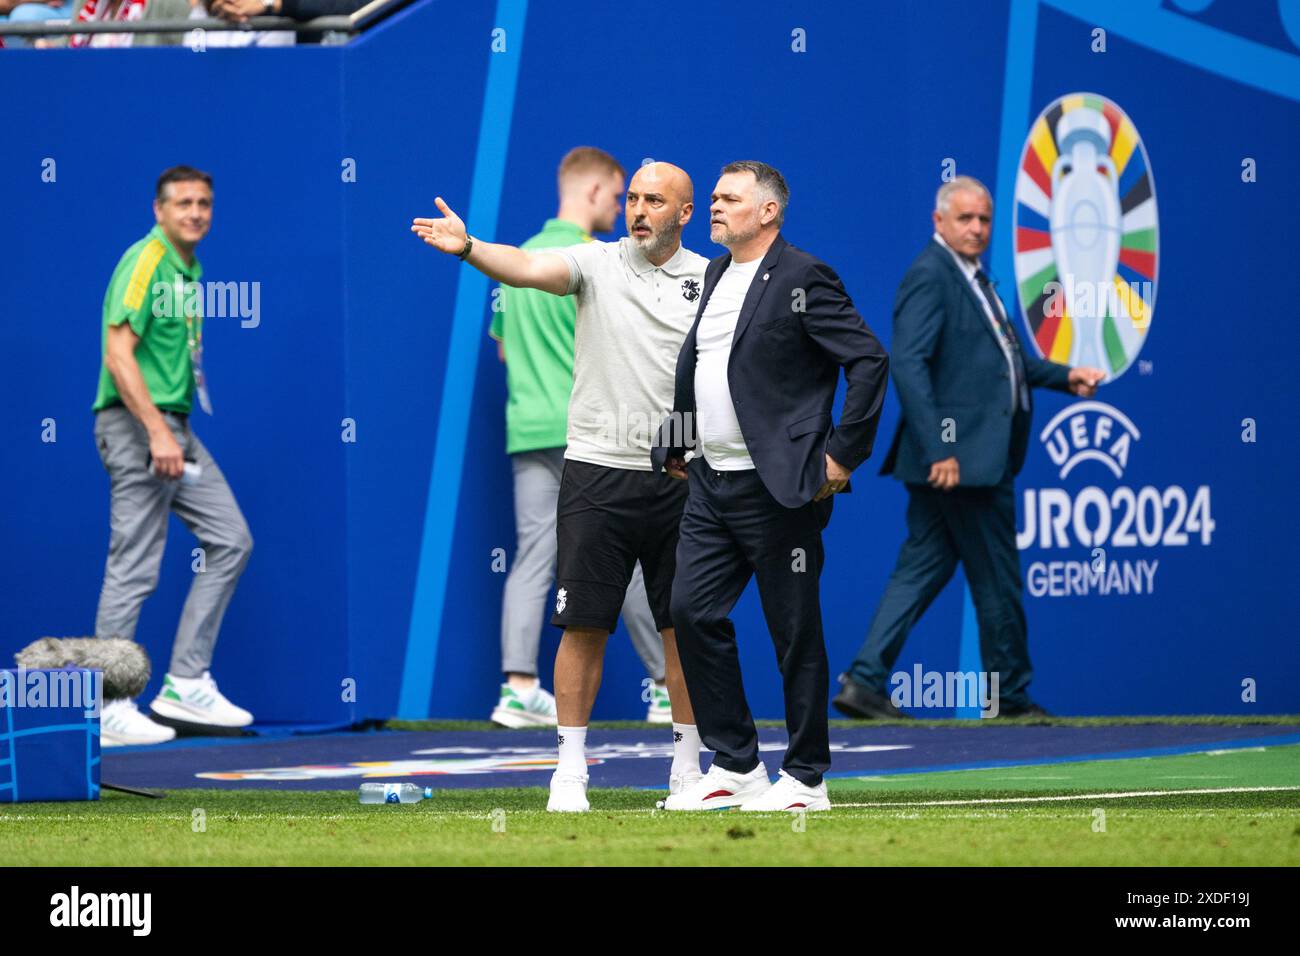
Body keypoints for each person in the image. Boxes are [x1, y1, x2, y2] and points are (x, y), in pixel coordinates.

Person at [412, 161, 706, 812]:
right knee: (583, 628)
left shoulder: (711, 280)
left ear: (685, 214)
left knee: (681, 629)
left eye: (655, 201)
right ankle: (568, 772)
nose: (638, 209)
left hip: (681, 479)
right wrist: (468, 248)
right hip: (597, 472)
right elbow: (524, 268)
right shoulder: (594, 263)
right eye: (632, 197)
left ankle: (688, 769)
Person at [653, 161, 889, 812]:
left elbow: (868, 360)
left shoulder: (803, 277)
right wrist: (677, 438)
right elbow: (699, 365)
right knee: (690, 612)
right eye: (717, 197)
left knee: (794, 632)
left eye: (730, 198)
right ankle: (737, 767)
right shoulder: (715, 273)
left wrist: (841, 457)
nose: (717, 206)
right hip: (709, 481)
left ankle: (807, 778)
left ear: (768, 213)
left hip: (779, 487)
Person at [832, 176, 1104, 721]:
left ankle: (863, 681)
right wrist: (941, 450)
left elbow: (1004, 361)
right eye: (965, 219)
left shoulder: (973, 275)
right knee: (997, 577)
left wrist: (1064, 375)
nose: (977, 229)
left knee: (920, 569)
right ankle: (1011, 698)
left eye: (984, 220)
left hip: (966, 459)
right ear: (939, 222)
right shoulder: (931, 275)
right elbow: (908, 365)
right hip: (963, 463)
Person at [486, 147, 673, 728]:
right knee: (636, 559)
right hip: (590, 436)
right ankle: (667, 684)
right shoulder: (598, 261)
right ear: (593, 193)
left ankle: (518, 687)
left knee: (534, 554)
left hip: (527, 427)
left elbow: (503, 347)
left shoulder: (517, 258)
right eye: (619, 197)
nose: (625, 210)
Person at [93, 165, 255, 746]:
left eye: (204, 203)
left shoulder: (189, 268)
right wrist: (157, 433)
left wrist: (171, 432)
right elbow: (118, 353)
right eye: (183, 202)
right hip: (141, 427)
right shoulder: (147, 260)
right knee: (134, 564)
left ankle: (185, 681)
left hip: (175, 428)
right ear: (159, 210)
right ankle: (108, 706)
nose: (195, 212)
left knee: (231, 540)